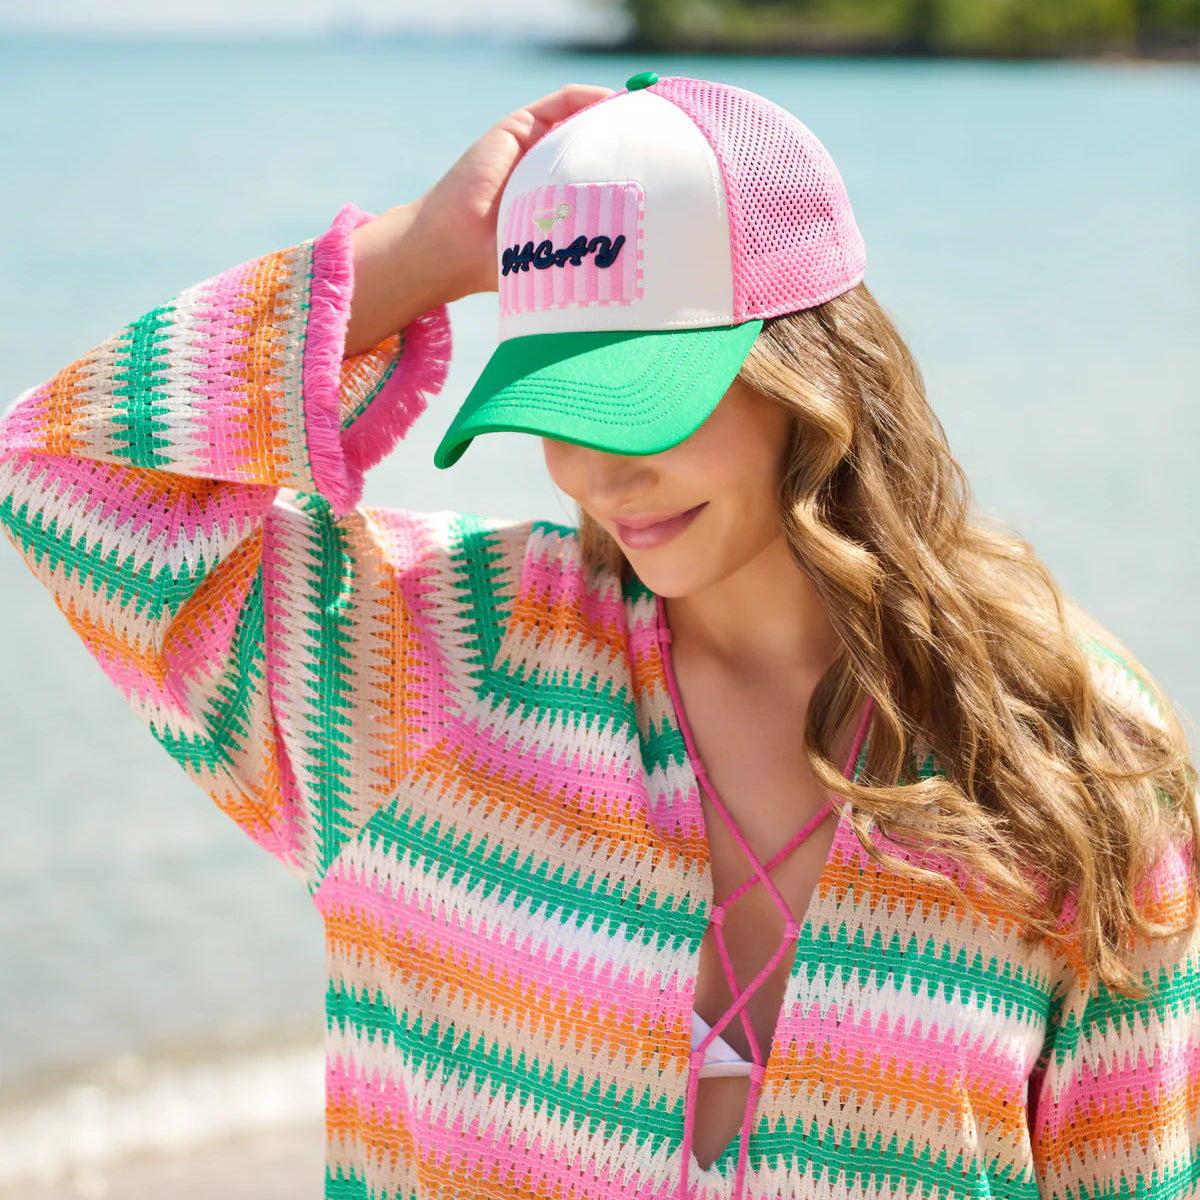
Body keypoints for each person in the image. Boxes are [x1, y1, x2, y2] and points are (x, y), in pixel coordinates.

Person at [0, 72, 1196, 1200]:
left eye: (643, 400)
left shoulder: (1069, 748)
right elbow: (68, 477)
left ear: (809, 368)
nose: (599, 471)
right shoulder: (434, 663)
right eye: (557, 405)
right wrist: (420, 255)